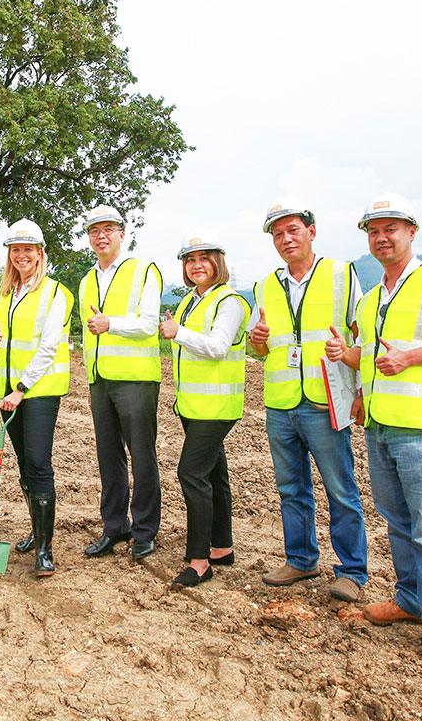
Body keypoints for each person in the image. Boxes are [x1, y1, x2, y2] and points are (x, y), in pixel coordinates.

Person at [326, 192, 422, 667]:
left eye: (390, 228)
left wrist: (408, 357)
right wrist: (354, 382)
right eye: (373, 230)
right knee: (397, 520)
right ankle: (410, 600)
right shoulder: (372, 299)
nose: (381, 237)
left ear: (412, 231)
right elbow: (372, 358)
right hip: (379, 424)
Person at [249, 197, 369, 602]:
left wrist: (363, 391)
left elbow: (362, 333)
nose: (285, 239)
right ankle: (300, 560)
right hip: (281, 403)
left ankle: (352, 571)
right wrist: (258, 343)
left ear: (311, 232)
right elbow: (259, 347)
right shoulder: (265, 284)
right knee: (291, 488)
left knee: (340, 488)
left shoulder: (341, 274)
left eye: (293, 230)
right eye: (278, 234)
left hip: (324, 400)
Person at [159, 229, 251, 587]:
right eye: (190, 260)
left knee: (191, 474)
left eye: (204, 258)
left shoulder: (230, 301)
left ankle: (199, 560)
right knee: (214, 475)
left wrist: (177, 331)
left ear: (218, 262)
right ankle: (221, 547)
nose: (197, 265)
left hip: (216, 406)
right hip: (194, 405)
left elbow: (217, 345)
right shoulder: (190, 301)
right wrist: (176, 327)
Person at [0, 219, 74, 577]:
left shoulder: (56, 293)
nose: (21, 256)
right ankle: (36, 532)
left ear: (40, 253)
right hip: (8, 393)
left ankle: (45, 549)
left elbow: (49, 346)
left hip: (36, 392)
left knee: (38, 464)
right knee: (24, 466)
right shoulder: (6, 292)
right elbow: (2, 336)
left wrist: (21, 389)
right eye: (15, 250)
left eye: (28, 250)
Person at [77, 204, 163, 560]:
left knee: (141, 456)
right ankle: (115, 527)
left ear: (122, 235)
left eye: (109, 229)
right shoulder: (86, 280)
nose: (101, 235)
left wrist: (112, 324)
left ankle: (144, 530)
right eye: (95, 230)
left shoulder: (143, 271)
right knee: (108, 457)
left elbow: (148, 323)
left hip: (136, 380)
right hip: (100, 379)